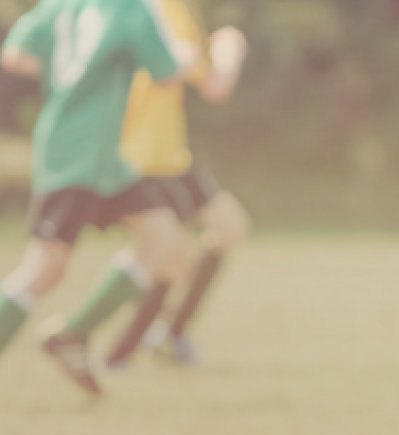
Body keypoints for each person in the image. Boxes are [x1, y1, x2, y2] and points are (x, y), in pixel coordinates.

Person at [0, 0, 194, 395]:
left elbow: (15, 55)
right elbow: (168, 74)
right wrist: (188, 54)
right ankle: (70, 335)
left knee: (166, 241)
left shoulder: (59, 7)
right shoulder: (130, 10)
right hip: (76, 158)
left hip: (104, 162)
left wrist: (69, 76)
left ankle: (72, 335)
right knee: (44, 269)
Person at [103, 0, 250, 369]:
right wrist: (227, 47)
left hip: (172, 153)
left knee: (228, 227)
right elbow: (205, 79)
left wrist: (222, 48)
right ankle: (117, 351)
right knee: (165, 253)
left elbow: (208, 81)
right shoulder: (156, 8)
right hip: (140, 151)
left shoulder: (181, 8)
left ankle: (169, 335)